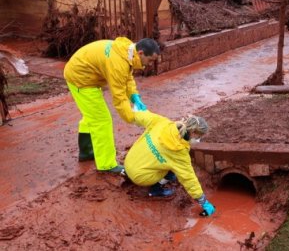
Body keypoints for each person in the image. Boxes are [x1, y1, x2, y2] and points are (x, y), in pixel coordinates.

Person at [64, 37, 160, 173]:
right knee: (101, 120)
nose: (150, 64)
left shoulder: (127, 51)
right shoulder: (118, 62)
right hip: (80, 79)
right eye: (150, 60)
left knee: (92, 115)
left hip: (84, 73)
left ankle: (86, 152)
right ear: (141, 53)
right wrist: (133, 118)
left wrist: (134, 96)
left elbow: (127, 77)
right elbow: (119, 97)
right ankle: (106, 164)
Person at [124, 111, 216, 217]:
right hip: (139, 177)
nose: (199, 139)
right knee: (174, 171)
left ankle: (129, 171)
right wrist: (203, 202)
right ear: (194, 133)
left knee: (162, 158)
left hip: (129, 161)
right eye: (199, 136)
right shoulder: (179, 153)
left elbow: (140, 116)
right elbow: (189, 179)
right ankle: (155, 190)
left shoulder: (163, 122)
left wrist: (136, 107)